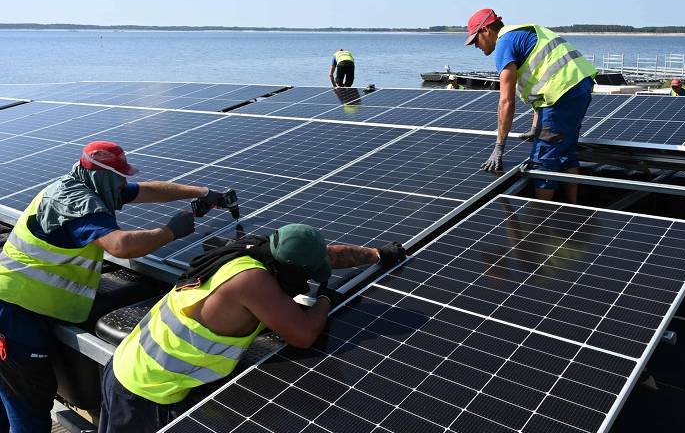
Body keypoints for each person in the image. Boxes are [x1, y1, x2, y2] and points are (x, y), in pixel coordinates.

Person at [0, 140, 227, 433]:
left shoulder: (86, 184)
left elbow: (146, 190)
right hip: (16, 313)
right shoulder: (79, 203)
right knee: (28, 404)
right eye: (119, 177)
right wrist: (171, 231)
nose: (124, 183)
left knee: (9, 393)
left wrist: (203, 193)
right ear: (101, 174)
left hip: (18, 305)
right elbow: (119, 246)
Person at [99, 224, 406, 433]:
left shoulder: (256, 250)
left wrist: (377, 254)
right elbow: (303, 335)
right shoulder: (252, 282)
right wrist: (325, 298)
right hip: (145, 390)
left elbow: (326, 254)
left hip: (130, 362)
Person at [464, 8, 597, 203]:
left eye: (476, 40)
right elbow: (542, 82)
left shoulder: (504, 44)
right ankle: (572, 206)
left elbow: (506, 101)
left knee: (543, 159)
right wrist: (536, 127)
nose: (476, 45)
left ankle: (541, 219)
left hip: (561, 94)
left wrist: (499, 147)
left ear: (486, 30)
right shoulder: (523, 32)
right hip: (579, 86)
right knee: (566, 150)